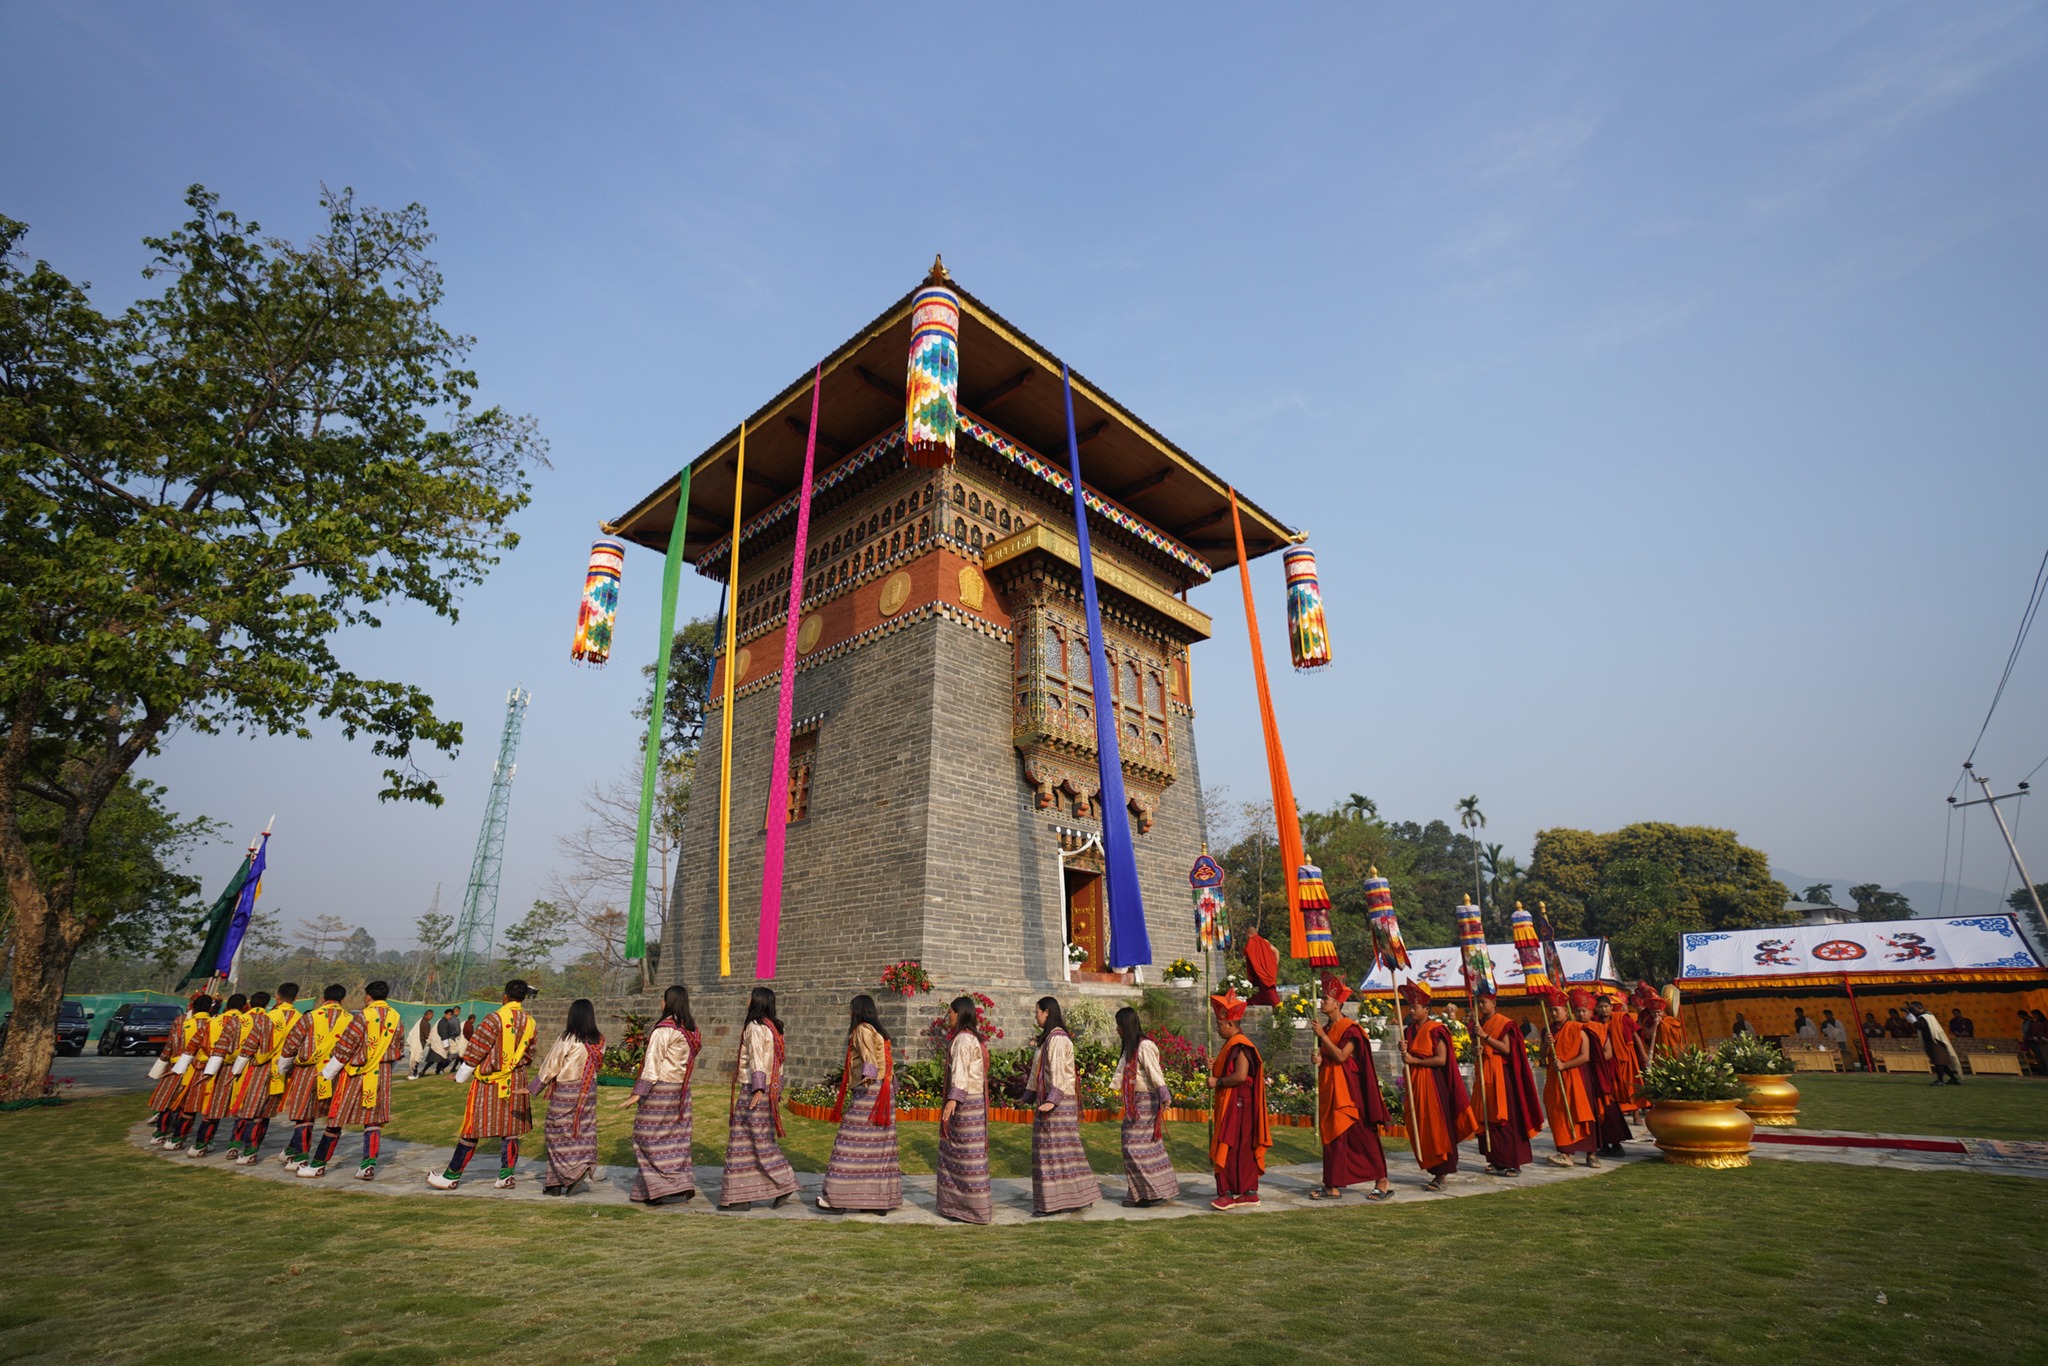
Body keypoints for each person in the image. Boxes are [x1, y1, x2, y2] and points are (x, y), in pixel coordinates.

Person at [427, 979, 538, 1189]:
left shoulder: (494, 1019)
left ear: (505, 996)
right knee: (510, 1129)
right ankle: (507, 1176)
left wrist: (461, 1075)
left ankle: (452, 1176)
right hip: (515, 1079)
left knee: (472, 1129)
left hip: (490, 1081)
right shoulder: (530, 1022)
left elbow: (477, 1049)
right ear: (523, 997)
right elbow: (530, 1054)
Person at [300, 981, 402, 1180]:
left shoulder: (363, 1016)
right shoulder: (396, 1018)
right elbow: (398, 1049)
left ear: (368, 997)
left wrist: (328, 1072)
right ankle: (368, 1166)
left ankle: (318, 1164)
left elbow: (345, 1046)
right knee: (372, 1121)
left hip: (357, 1073)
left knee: (336, 1119)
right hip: (381, 1073)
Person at [1307, 976, 1391, 1202]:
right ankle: (1332, 1185)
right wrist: (1319, 1060)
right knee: (1334, 1138)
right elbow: (1329, 1059)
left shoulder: (1351, 1029)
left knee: (1363, 1136)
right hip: (1331, 1089)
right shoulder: (1326, 1028)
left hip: (1351, 1092)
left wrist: (1323, 1037)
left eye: (1325, 999)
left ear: (1337, 1004)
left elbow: (1343, 1057)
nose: (1321, 1003)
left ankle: (1382, 1181)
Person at [818, 993, 902, 1214]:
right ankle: (877, 1201)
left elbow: (869, 1059)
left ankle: (837, 1198)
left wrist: (867, 1076)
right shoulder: (878, 1031)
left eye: (850, 1009)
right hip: (884, 1091)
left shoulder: (862, 1029)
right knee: (878, 1147)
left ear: (857, 1011)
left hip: (870, 1092)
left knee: (848, 1144)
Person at [619, 984, 702, 1205]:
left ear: (668, 1002)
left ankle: (665, 1186)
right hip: (681, 1091)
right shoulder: (691, 1029)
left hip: (659, 1090)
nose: (660, 1003)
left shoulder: (664, 1029)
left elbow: (652, 1063)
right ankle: (658, 1189)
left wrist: (638, 1093)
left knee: (647, 1136)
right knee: (675, 1138)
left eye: (662, 999)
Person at [718, 986, 799, 1209]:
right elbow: (778, 1064)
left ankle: (784, 1181)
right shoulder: (775, 1027)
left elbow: (757, 1059)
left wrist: (758, 1089)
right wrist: (774, 1090)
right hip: (766, 1090)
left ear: (757, 1001)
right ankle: (742, 1195)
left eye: (749, 997)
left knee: (753, 1140)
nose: (746, 1000)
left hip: (754, 1089)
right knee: (748, 1141)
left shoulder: (755, 1027)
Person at [1023, 996, 1100, 1216]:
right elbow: (1038, 1070)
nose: (1035, 1016)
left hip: (1057, 1102)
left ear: (1047, 1012)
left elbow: (1058, 1072)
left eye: (1037, 1012)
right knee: (1063, 1152)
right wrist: (1028, 1095)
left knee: (1053, 1153)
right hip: (1053, 1100)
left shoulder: (1056, 1039)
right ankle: (1078, 1196)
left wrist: (1052, 1100)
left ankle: (1054, 1203)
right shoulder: (1049, 1038)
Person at [1399, 982, 1477, 1192]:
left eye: (1415, 1007)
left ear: (1427, 1010)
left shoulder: (1436, 1030)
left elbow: (1441, 1059)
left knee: (1437, 1126)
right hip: (1416, 1085)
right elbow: (1409, 1059)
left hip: (1434, 1085)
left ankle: (1442, 1173)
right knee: (1422, 1126)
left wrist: (1415, 1061)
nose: (1411, 1010)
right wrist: (1405, 1053)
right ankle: (1433, 1169)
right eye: (1410, 1007)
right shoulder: (1408, 1031)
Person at [531, 997, 604, 1196]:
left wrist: (534, 1087)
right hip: (588, 1090)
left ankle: (571, 1172)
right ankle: (556, 1181)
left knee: (556, 1131)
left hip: (567, 1090)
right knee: (582, 1129)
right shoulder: (600, 1041)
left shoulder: (568, 1038)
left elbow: (552, 1064)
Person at [1111, 1006, 1180, 1208]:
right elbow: (1120, 1072)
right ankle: (1141, 1194)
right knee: (1138, 1147)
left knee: (1135, 1147)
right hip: (1134, 1102)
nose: (1117, 1030)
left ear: (1126, 1026)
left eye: (1119, 1025)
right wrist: (1114, 1091)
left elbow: (1154, 1072)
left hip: (1146, 1102)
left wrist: (1164, 1094)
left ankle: (1154, 1192)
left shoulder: (1145, 1046)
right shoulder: (1131, 1047)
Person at [1208, 989, 1270, 1210]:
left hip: (1238, 1105)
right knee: (1240, 1148)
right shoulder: (1233, 1043)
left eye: (1219, 1023)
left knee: (1231, 1146)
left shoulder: (1240, 1044)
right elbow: (1229, 1069)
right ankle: (1248, 1192)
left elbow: (1240, 1076)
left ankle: (1227, 1193)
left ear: (1230, 1024)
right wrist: (1216, 1068)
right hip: (1237, 1104)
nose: (1217, 1027)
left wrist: (1218, 1082)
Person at [1473, 988, 1545, 1177]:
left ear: (1494, 1003)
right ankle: (1496, 1160)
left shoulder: (1503, 1023)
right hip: (1485, 1074)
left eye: (1484, 1002)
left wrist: (1485, 1036)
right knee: (1489, 1119)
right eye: (1479, 1002)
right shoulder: (1480, 1023)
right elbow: (1477, 1048)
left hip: (1502, 1076)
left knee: (1506, 1119)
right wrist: (1477, 1049)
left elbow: (1506, 1048)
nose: (1481, 1006)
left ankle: (1513, 1162)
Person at [279, 985, 352, 1171]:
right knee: (333, 1118)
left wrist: (284, 1068)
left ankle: (300, 1157)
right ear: (342, 1000)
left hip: (308, 1072)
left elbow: (291, 1045)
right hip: (336, 1073)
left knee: (304, 1115)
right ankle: (320, 1161)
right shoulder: (350, 1020)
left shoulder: (310, 1017)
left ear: (322, 998)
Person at [225, 987, 300, 1164]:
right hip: (281, 1071)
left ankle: (237, 1146)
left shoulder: (270, 1016)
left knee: (249, 1108)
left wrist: (238, 1066)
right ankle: (253, 1149)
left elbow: (252, 1042)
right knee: (265, 1112)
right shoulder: (300, 1018)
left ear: (277, 997)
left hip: (259, 1068)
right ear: (295, 998)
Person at [936, 995, 993, 1224]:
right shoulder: (973, 1039)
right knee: (970, 1155)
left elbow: (961, 1071)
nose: (947, 1016)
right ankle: (969, 1208)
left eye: (950, 1012)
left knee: (964, 1156)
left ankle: (969, 1209)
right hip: (975, 1101)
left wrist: (953, 1099)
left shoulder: (962, 1040)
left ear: (959, 1014)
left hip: (965, 1102)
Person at [1539, 986, 1600, 1167]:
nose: (1553, 1013)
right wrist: (1546, 1043)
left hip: (1577, 1077)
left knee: (1582, 1113)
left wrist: (1565, 1065)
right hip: (1556, 1079)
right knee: (1560, 1114)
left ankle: (1591, 1154)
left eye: (1556, 1009)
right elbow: (1542, 1055)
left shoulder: (1577, 1029)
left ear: (1566, 1011)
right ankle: (1565, 1153)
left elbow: (1585, 1056)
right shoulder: (1547, 1031)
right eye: (1551, 1010)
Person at [183, 992, 249, 1156]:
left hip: (215, 1067)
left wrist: (180, 1068)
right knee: (240, 1107)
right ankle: (234, 1145)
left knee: (213, 1107)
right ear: (244, 1007)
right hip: (242, 1069)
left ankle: (201, 1145)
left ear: (226, 1006)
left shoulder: (212, 1022)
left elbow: (193, 1045)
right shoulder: (250, 1023)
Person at [1584, 992, 1632, 1157]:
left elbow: (1608, 1052)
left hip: (1605, 1070)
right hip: (1588, 1073)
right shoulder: (1582, 1026)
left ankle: (1617, 1143)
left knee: (1609, 1105)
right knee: (1594, 1108)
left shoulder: (1602, 1027)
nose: (1603, 1009)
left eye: (1606, 1006)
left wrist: (1592, 1060)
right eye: (1600, 1007)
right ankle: (1602, 1143)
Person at [1905, 1001, 1961, 1085]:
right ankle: (1953, 1078)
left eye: (1914, 1009)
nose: (1913, 1011)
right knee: (1941, 1062)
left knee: (1938, 1061)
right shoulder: (1927, 1015)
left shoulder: (1925, 1016)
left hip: (1934, 1041)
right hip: (1933, 1040)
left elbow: (1921, 1025)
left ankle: (1940, 1080)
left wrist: (1912, 1019)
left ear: (1920, 1008)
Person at [428, 1007, 463, 1074]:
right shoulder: (454, 1020)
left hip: (444, 1039)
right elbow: (457, 1031)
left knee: (445, 1055)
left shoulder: (443, 1020)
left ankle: (441, 1069)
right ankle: (442, 1068)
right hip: (450, 1038)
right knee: (453, 1054)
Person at [406, 1008, 435, 1080]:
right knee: (415, 1058)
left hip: (417, 1042)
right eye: (431, 1015)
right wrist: (430, 1042)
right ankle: (412, 1073)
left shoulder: (421, 1021)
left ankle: (413, 1072)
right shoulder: (425, 1023)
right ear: (428, 1015)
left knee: (414, 1058)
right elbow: (426, 1035)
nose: (432, 1017)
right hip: (418, 1043)